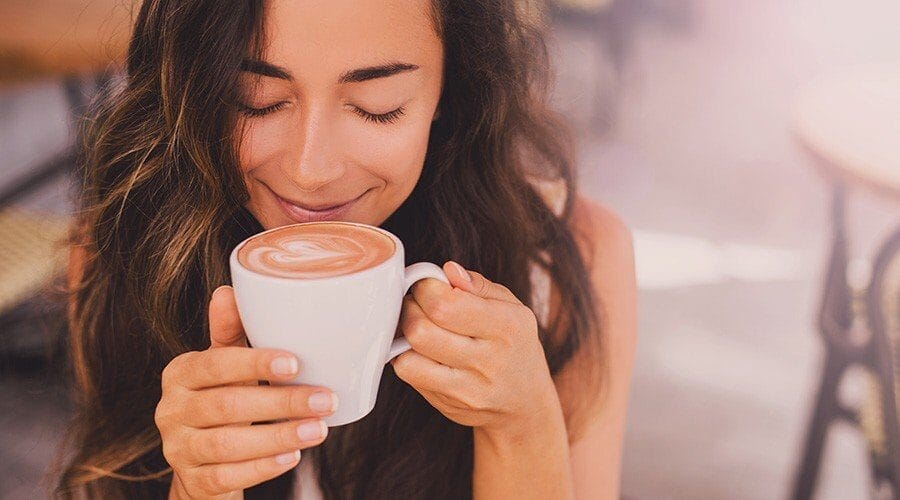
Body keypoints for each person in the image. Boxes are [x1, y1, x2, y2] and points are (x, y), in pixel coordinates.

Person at [54, 0, 636, 498]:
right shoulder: (126, 252)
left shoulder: (568, 263)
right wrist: (200, 486)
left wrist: (523, 426)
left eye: (377, 105)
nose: (311, 171)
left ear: (448, 90)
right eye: (255, 99)